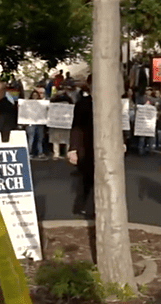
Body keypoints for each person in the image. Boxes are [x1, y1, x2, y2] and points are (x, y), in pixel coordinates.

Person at [67, 77, 94, 218]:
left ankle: (91, 207)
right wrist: (73, 149)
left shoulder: (110, 103)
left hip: (104, 147)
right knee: (86, 178)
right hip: (85, 146)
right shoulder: (82, 104)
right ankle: (82, 207)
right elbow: (76, 127)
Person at [24, 90, 48, 160]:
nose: (35, 97)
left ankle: (40, 152)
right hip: (31, 123)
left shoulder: (41, 104)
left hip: (39, 123)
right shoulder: (27, 104)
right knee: (31, 138)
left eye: (36, 95)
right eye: (34, 95)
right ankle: (29, 153)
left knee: (40, 138)